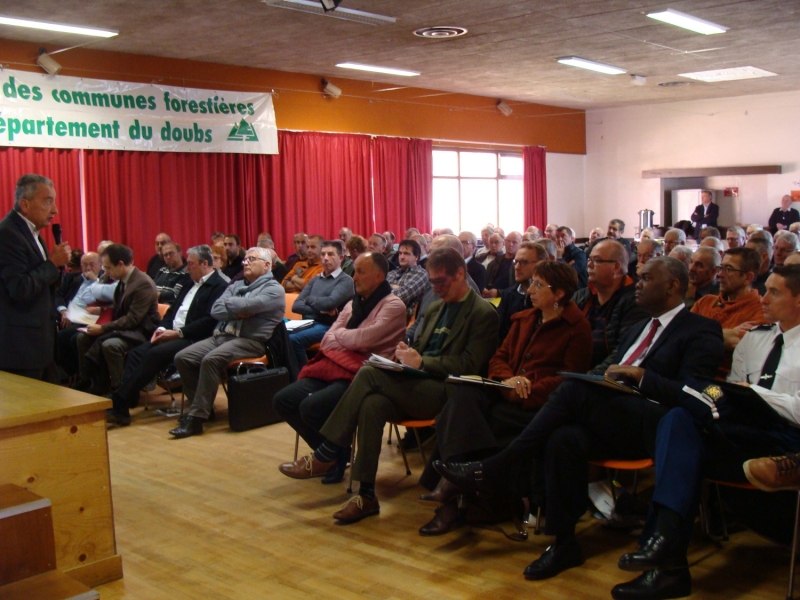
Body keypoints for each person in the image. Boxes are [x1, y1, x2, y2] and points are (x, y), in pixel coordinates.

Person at [434, 257, 723, 585]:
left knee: (570, 389)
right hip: (611, 415)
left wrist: (644, 378)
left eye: (645, 278)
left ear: (672, 286)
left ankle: (494, 466)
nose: (637, 283)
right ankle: (563, 542)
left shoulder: (701, 329)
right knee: (563, 436)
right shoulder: (640, 327)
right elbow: (609, 369)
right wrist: (594, 380)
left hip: (656, 423)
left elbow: (698, 395)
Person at [613, 264, 800, 600]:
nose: (763, 296)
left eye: (774, 292)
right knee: (678, 419)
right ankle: (666, 557)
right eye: (765, 289)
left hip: (787, 439)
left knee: (680, 435)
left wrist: (755, 394)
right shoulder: (754, 341)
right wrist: (720, 394)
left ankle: (665, 559)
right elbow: (726, 393)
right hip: (743, 429)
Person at [277, 247, 499, 524]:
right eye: (431, 282)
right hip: (417, 383)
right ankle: (366, 495)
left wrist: (422, 362)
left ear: (460, 274)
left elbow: (470, 365)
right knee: (372, 403)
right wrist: (407, 352)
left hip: (449, 392)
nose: (436, 288)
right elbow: (417, 346)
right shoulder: (435, 309)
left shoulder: (482, 313)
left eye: (441, 281)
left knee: (369, 373)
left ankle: (327, 452)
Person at [418, 261, 592, 536]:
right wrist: (508, 380)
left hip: (539, 405)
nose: (530, 289)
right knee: (463, 395)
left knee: (463, 420)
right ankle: (459, 491)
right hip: (507, 391)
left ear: (559, 294)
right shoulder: (526, 318)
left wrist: (526, 389)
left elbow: (570, 378)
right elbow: (498, 357)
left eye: (538, 285)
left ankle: (452, 495)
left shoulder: (577, 328)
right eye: (531, 282)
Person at [272, 252, 406, 483]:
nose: (354, 277)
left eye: (361, 272)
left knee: (311, 407)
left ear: (379, 276)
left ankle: (330, 456)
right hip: (335, 366)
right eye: (354, 271)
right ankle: (335, 455)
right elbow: (327, 339)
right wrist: (347, 337)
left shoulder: (393, 305)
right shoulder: (353, 303)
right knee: (283, 400)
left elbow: (363, 339)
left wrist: (342, 336)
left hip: (364, 375)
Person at [105, 245, 228, 425]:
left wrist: (177, 333)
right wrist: (161, 329)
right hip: (171, 333)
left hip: (193, 337)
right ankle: (123, 405)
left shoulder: (219, 286)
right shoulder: (188, 283)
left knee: (154, 355)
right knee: (135, 354)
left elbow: (209, 322)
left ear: (204, 264)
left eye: (191, 264)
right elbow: (171, 312)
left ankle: (119, 401)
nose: (187, 268)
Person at [170, 247, 285, 438]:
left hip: (251, 341)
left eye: (251, 259)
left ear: (266, 266)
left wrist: (233, 304)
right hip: (223, 336)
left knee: (211, 360)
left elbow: (249, 305)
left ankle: (196, 419)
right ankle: (205, 408)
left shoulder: (274, 289)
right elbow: (216, 309)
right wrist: (239, 309)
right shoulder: (237, 284)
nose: (245, 262)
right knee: (183, 357)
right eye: (245, 259)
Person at [0, 174, 71, 382]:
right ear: (25, 204)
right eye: (48, 201)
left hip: (40, 344)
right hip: (20, 349)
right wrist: (52, 264)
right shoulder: (7, 235)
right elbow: (19, 288)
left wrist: (54, 268)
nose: (55, 210)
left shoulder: (33, 233)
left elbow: (43, 284)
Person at [74, 244, 162, 395]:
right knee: (83, 337)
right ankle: (96, 384)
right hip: (126, 328)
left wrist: (103, 328)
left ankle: (120, 391)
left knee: (110, 345)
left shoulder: (143, 284)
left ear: (120, 264)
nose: (106, 272)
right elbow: (119, 308)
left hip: (141, 331)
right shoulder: (123, 280)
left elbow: (133, 319)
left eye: (108, 268)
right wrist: (101, 311)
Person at [573, 240, 648, 374]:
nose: (589, 264)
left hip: (608, 379)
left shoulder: (636, 300)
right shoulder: (582, 296)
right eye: (589, 259)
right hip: (575, 370)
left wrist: (590, 376)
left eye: (596, 260)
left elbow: (624, 350)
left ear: (616, 267)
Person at [289, 240, 354, 367]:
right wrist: (320, 310)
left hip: (329, 326)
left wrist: (309, 299)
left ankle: (302, 375)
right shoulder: (315, 279)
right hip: (308, 323)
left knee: (293, 340)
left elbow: (329, 303)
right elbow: (296, 306)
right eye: (323, 254)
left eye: (330, 254)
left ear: (341, 257)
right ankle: (286, 373)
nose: (325, 258)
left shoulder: (345, 281)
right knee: (280, 334)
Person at [496, 242, 547, 342]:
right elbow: (499, 331)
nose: (517, 267)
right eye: (516, 262)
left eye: (523, 262)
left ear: (541, 264)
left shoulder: (547, 296)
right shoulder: (508, 294)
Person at [386, 239, 429, 317]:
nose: (402, 257)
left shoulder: (421, 274)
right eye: (400, 253)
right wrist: (394, 288)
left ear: (416, 257)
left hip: (402, 318)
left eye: (406, 254)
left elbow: (400, 296)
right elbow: (377, 290)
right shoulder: (392, 273)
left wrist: (389, 288)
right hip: (384, 313)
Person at [484, 231, 521, 298]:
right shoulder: (494, 262)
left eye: (514, 242)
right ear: (504, 242)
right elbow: (486, 281)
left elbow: (519, 288)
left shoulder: (520, 264)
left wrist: (499, 292)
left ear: (521, 244)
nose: (510, 244)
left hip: (509, 298)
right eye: (508, 241)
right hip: (490, 296)